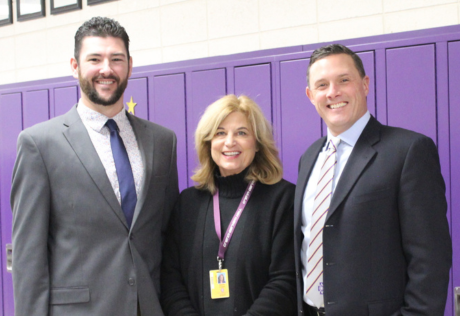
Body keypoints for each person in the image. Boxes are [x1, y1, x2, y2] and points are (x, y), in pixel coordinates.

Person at [11, 17, 178, 316]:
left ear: (129, 64)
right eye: (95, 59)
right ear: (75, 66)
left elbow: (168, 237)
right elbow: (29, 257)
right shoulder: (39, 144)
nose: (106, 69)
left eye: (116, 59)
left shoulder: (162, 142)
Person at [294, 43, 452, 316]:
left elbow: (430, 259)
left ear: (365, 84)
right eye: (322, 85)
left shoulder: (408, 150)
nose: (333, 92)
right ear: (310, 95)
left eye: (344, 80)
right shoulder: (309, 158)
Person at [161, 95, 296, 316]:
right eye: (220, 133)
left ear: (258, 143)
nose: (230, 141)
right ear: (208, 142)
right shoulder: (187, 203)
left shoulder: (283, 199)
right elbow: (170, 280)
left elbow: (285, 280)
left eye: (242, 133)